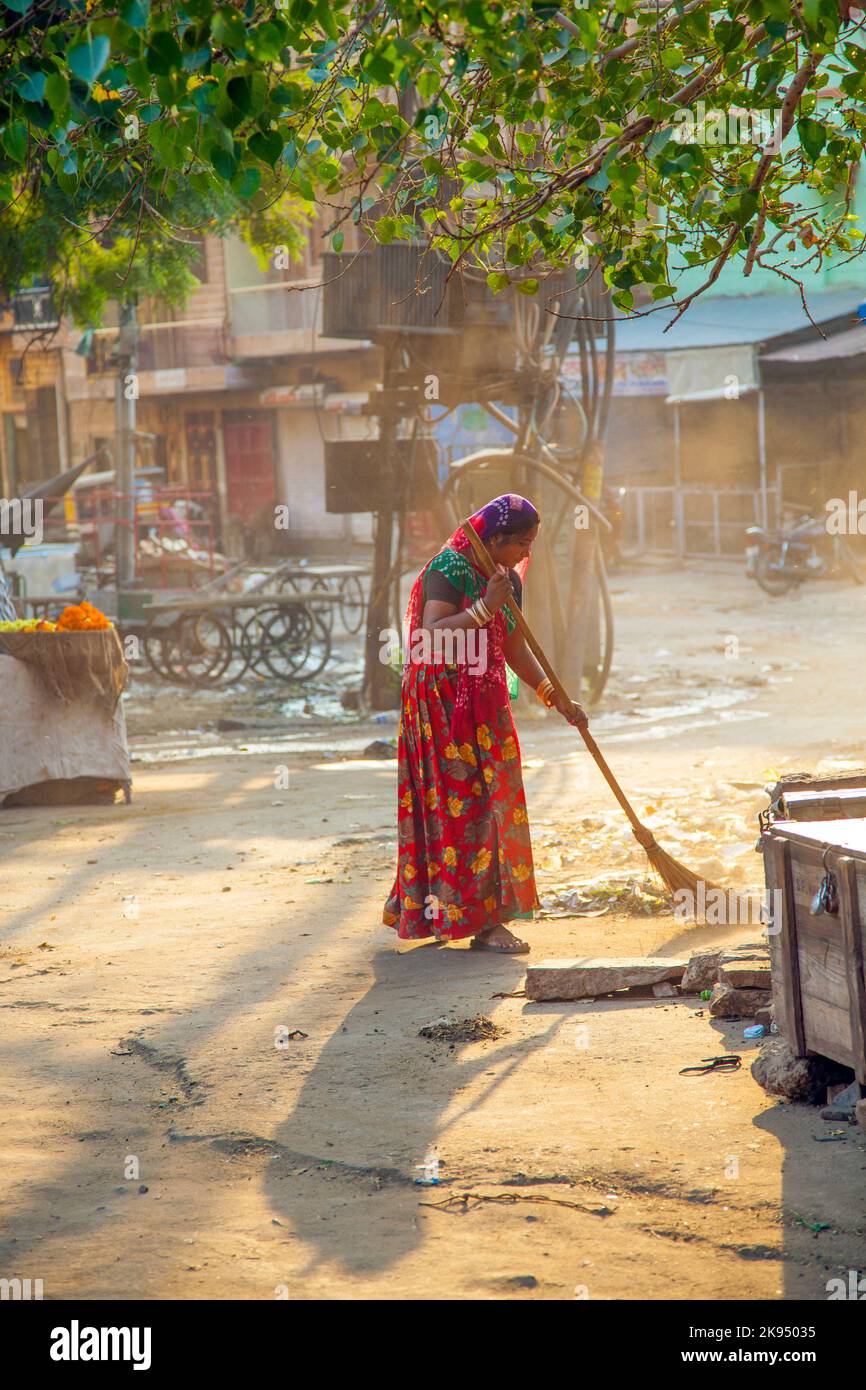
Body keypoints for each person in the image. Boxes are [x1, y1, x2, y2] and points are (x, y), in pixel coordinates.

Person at [383, 493, 588, 954]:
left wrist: (556, 697)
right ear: (493, 539)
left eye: (531, 545)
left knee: (499, 800)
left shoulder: (508, 581)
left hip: (487, 701)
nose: (526, 555)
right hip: (440, 703)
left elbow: (515, 651)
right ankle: (460, 917)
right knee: (457, 805)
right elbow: (429, 634)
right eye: (520, 544)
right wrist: (483, 608)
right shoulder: (449, 569)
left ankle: (488, 915)